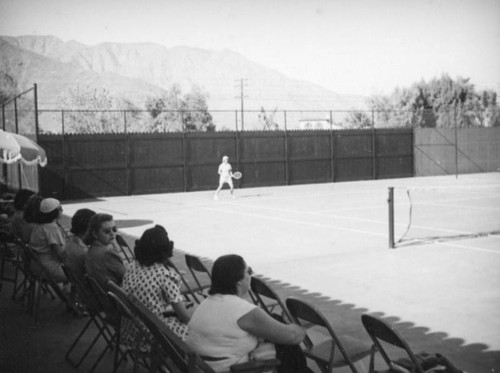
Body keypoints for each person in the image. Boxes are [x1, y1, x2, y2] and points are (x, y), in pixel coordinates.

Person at [186, 254, 308, 372]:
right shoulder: (242, 310)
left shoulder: (206, 303)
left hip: (204, 366)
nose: (251, 274)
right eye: (248, 271)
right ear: (238, 281)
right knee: (288, 349)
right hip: (230, 369)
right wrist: (299, 329)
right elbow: (292, 337)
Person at [121, 225, 193, 343]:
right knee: (198, 327)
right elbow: (185, 317)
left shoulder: (132, 265)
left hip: (131, 331)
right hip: (153, 335)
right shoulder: (165, 275)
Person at [29, 197, 67, 283]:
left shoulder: (39, 226)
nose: (62, 210)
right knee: (79, 274)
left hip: (36, 265)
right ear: (54, 212)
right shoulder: (52, 228)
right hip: (48, 268)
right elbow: (61, 254)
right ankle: (69, 295)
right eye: (60, 208)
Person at [84, 213, 126, 289]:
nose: (112, 233)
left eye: (114, 229)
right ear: (95, 234)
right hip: (116, 296)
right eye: (107, 231)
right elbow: (126, 274)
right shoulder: (107, 253)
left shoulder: (92, 249)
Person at [63, 208, 96, 284]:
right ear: (89, 229)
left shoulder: (70, 244)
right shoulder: (84, 253)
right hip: (86, 289)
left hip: (77, 286)